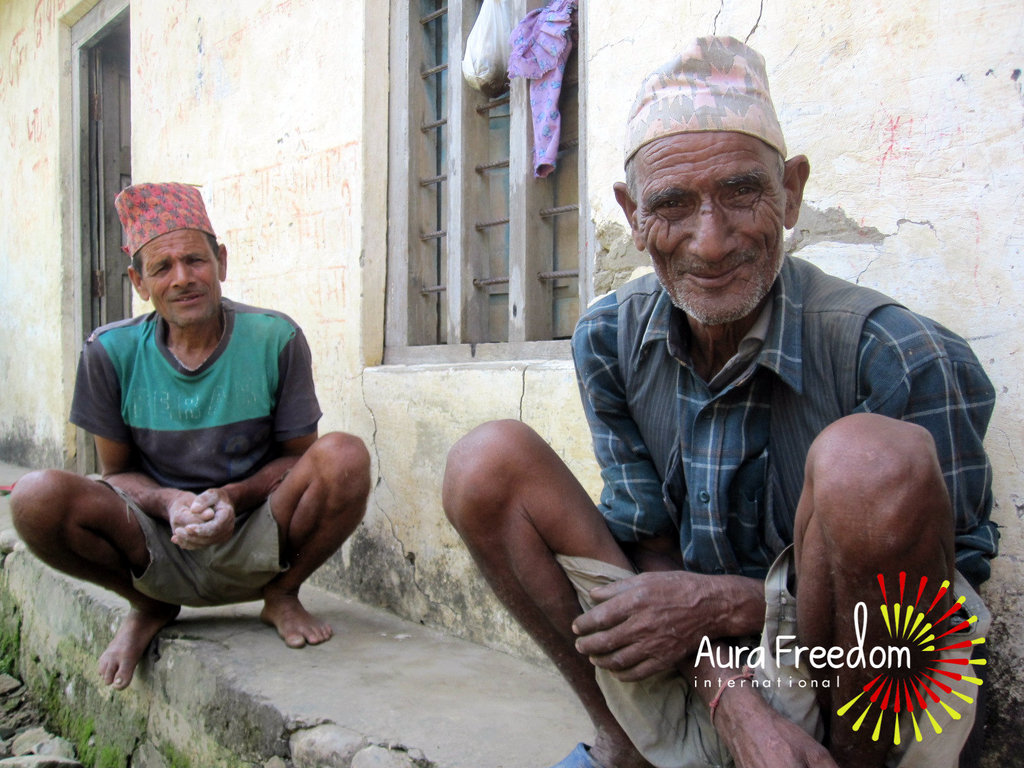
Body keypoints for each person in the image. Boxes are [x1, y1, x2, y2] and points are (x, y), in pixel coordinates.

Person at [442, 37, 997, 768]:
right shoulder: (609, 338)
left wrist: (727, 607)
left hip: (852, 678)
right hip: (694, 659)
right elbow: (651, 548)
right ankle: (632, 740)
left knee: (869, 464)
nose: (709, 243)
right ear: (632, 216)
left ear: (791, 192)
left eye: (742, 193)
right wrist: (726, 690)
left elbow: (937, 598)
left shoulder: (894, 352)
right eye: (672, 205)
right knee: (485, 464)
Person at [11, 182, 370, 691]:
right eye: (162, 268)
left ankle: (283, 594)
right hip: (156, 537)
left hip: (256, 527)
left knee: (345, 456)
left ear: (221, 261)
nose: (183, 279)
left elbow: (299, 461)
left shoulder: (276, 338)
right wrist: (172, 502)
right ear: (139, 281)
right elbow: (115, 475)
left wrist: (230, 496)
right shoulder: (109, 353)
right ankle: (149, 602)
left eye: (195, 260)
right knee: (35, 498)